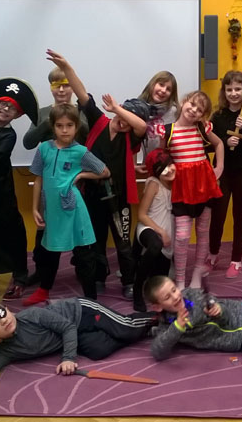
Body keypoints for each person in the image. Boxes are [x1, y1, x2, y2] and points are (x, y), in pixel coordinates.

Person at [47, 50, 148, 300]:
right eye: (121, 116)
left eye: (128, 118)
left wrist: (118, 109)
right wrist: (67, 68)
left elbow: (142, 126)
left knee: (123, 242)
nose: (123, 122)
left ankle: (129, 281)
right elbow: (81, 93)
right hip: (92, 194)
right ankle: (99, 277)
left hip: (119, 196)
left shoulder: (130, 136)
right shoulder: (99, 121)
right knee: (96, 240)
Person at [25, 102, 109, 304]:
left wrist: (81, 175)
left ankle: (91, 299)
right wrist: (35, 208)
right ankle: (44, 290)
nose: (64, 130)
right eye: (60, 125)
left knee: (84, 254)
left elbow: (104, 171)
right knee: (50, 251)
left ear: (76, 127)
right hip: (52, 210)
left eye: (69, 125)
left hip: (74, 210)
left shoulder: (80, 151)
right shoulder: (44, 149)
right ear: (53, 127)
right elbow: (38, 179)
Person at [0, 297, 155, 383]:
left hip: (81, 311)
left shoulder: (32, 315)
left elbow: (67, 327)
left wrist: (68, 358)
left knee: (125, 329)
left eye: (1, 313)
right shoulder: (6, 351)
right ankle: (149, 331)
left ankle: (161, 318)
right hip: (75, 334)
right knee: (99, 351)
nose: (3, 321)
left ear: (7, 308)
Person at [22, 66, 91, 293]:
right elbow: (28, 142)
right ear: (51, 88)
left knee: (78, 230)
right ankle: (41, 272)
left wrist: (70, 116)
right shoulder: (42, 113)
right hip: (49, 185)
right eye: (56, 85)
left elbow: (88, 136)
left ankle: (82, 271)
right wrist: (50, 120)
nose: (61, 90)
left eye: (65, 85)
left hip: (74, 183)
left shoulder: (80, 112)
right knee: (44, 229)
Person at [0, 78, 39, 300]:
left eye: (12, 108)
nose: (5, 109)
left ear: (18, 115)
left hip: (0, 191)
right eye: (3, 103)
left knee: (12, 233)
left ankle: (20, 276)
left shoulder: (8, 135)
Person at [158, 91, 224, 290]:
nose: (194, 110)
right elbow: (162, 157)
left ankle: (196, 273)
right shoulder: (167, 131)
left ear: (203, 115)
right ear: (183, 102)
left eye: (200, 110)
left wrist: (219, 167)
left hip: (204, 187)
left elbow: (219, 144)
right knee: (182, 236)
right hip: (182, 189)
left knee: (202, 233)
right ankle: (179, 280)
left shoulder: (202, 129)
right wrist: (165, 172)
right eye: (192, 104)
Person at [206, 70, 242, 279]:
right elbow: (207, 145)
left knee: (240, 214)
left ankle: (236, 259)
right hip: (221, 172)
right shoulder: (218, 116)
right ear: (224, 91)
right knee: (218, 214)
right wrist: (224, 141)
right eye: (229, 89)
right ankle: (212, 254)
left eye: (238, 89)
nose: (234, 93)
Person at [132, 149, 176, 312]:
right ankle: (137, 288)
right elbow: (142, 214)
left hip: (166, 236)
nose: (169, 170)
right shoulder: (154, 184)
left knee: (159, 279)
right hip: (148, 227)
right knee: (156, 244)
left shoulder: (177, 184)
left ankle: (141, 270)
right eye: (163, 168)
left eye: (170, 165)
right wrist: (161, 232)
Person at [136, 71, 179, 173]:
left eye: (168, 89)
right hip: (148, 165)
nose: (163, 90)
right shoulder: (140, 109)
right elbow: (132, 141)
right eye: (161, 84)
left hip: (169, 167)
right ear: (152, 84)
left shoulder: (174, 112)